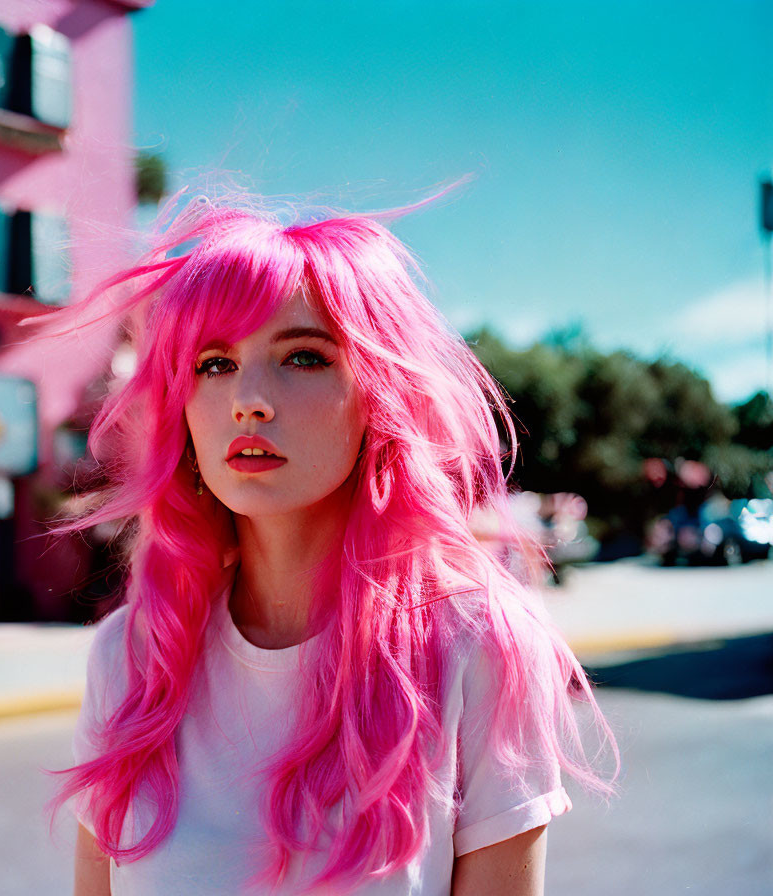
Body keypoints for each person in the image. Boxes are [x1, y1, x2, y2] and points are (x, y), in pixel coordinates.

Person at [44, 193, 616, 895]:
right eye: (214, 363)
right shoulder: (130, 658)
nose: (249, 398)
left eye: (304, 357)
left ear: (379, 394)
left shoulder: (478, 646)